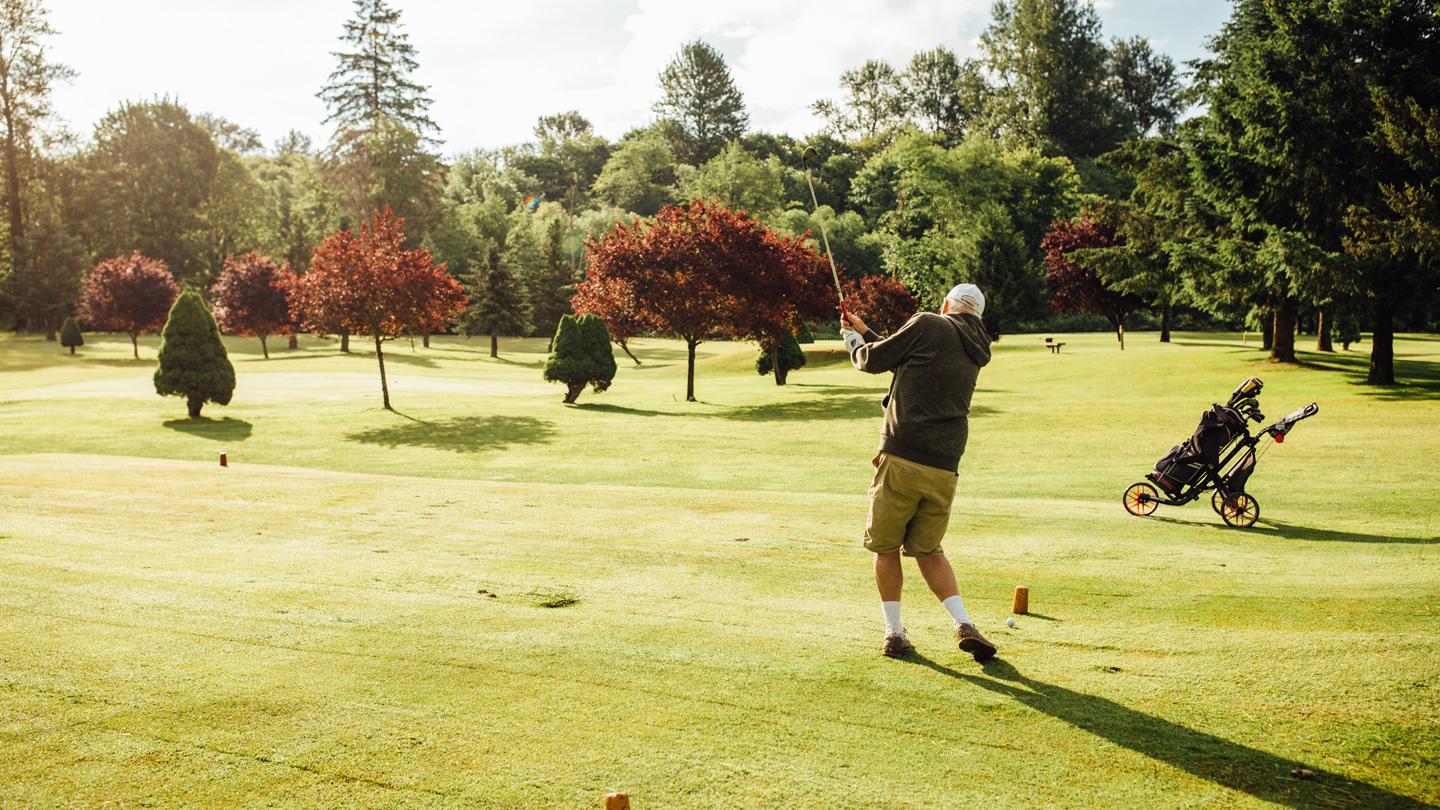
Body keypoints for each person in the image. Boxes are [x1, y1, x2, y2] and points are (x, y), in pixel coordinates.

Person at [840, 283, 997, 661]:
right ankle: (963, 624)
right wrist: (864, 331)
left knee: (885, 546)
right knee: (928, 550)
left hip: (903, 455)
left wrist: (851, 341)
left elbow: (873, 361)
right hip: (945, 466)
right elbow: (907, 357)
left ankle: (894, 633)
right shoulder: (976, 345)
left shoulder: (929, 322)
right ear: (976, 315)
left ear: (946, 304)